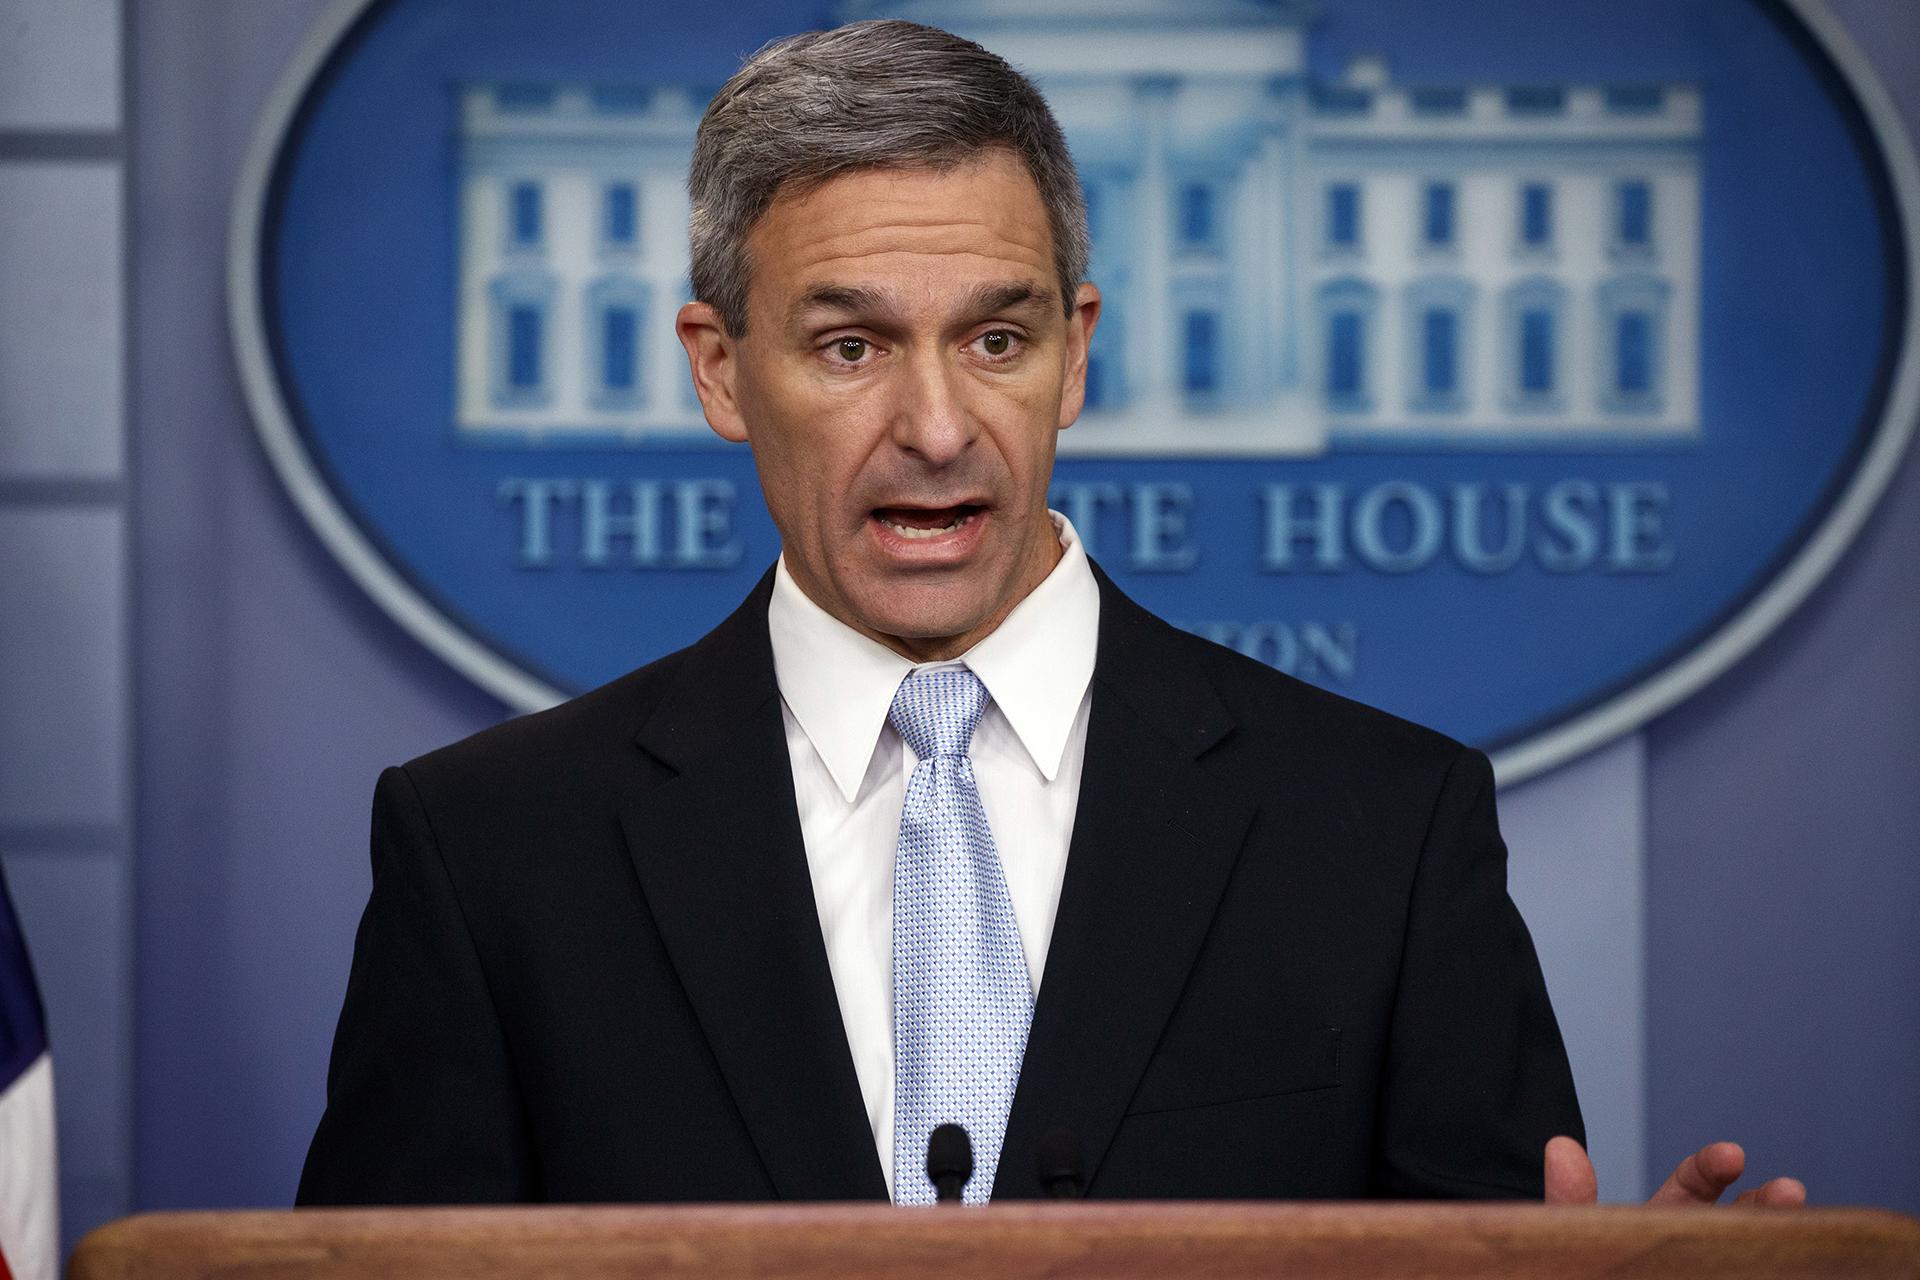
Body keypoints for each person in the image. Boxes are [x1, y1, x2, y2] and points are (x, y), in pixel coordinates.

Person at [298, 19, 1802, 1209]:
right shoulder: (494, 854)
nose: (939, 425)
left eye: (997, 337)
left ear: (1074, 357)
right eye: (849, 347)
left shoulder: (1387, 828)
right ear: (717, 369)